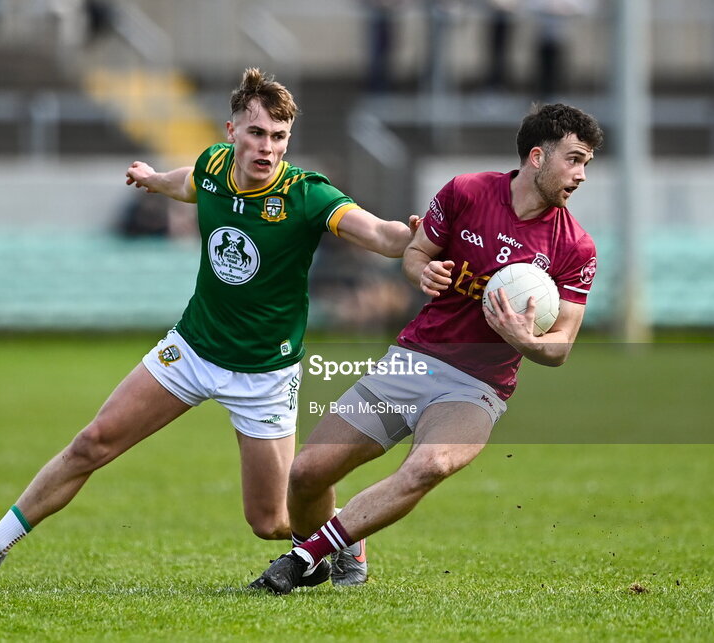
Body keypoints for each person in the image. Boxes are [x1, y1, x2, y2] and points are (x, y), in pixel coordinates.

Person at [0, 68, 418, 586]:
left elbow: (378, 235)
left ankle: (346, 536)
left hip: (263, 373)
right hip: (193, 348)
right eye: (256, 133)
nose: (266, 147)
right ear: (232, 132)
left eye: (278, 137)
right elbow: (190, 182)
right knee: (93, 442)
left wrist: (408, 236)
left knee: (270, 522)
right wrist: (154, 180)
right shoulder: (213, 166)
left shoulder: (307, 195)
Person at [250, 103, 603, 594]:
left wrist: (525, 340)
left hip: (479, 387)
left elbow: (561, 345)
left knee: (430, 465)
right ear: (538, 157)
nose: (582, 174)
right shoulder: (466, 191)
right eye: (575, 159)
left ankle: (304, 558)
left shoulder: (575, 247)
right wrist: (424, 271)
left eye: (587, 163)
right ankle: (341, 545)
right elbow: (415, 255)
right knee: (308, 475)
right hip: (414, 362)